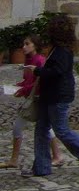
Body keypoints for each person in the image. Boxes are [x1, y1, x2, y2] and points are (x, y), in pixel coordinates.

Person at [23, 15, 79, 177]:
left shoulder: (63, 51)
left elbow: (57, 72)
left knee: (61, 130)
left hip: (58, 97)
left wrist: (37, 71)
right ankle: (42, 167)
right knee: (41, 130)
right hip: (48, 96)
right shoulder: (56, 49)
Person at [2, 36, 62, 170]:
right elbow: (27, 80)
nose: (24, 47)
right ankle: (57, 155)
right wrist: (16, 87)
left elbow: (38, 83)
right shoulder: (28, 60)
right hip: (32, 98)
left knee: (21, 125)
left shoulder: (39, 61)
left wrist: (23, 90)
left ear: (35, 45)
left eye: (27, 44)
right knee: (44, 126)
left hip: (38, 99)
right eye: (23, 44)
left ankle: (14, 159)